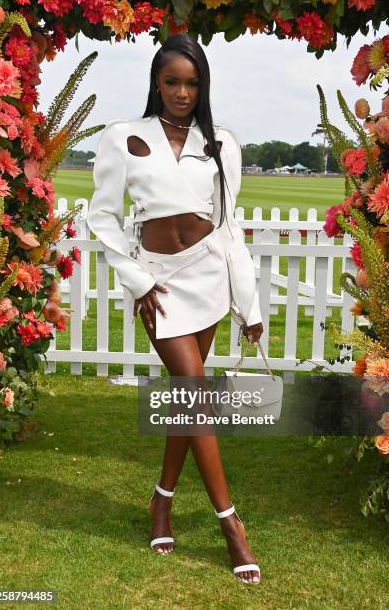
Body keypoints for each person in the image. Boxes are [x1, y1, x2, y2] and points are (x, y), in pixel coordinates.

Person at [87, 33, 264, 585]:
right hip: (160, 286)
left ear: (202, 86)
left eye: (192, 83)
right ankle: (231, 526)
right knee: (194, 392)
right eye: (172, 81)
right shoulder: (125, 137)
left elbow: (230, 227)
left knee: (188, 403)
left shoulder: (221, 143)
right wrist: (138, 282)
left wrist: (248, 304)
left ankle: (161, 502)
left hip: (210, 275)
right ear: (155, 83)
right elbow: (101, 217)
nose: (182, 93)